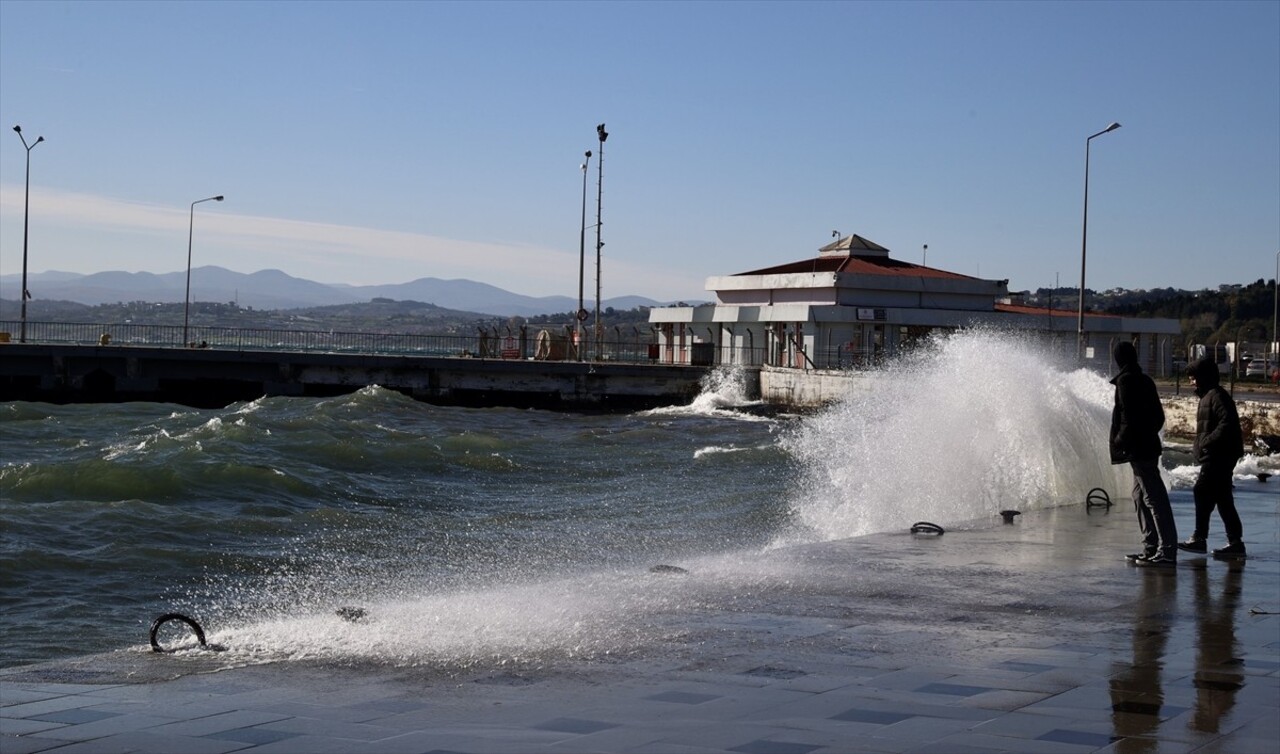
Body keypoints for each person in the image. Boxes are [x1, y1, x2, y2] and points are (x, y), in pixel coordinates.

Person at [1110, 341, 1178, 568]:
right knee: (1139, 496)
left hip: (1139, 450)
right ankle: (1150, 547)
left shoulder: (1126, 382)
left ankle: (1167, 551)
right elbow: (1158, 417)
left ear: (1118, 359)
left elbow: (1128, 418)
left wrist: (1121, 440)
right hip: (1147, 447)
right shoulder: (1145, 380)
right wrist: (1147, 434)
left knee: (1154, 499)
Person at [1177, 359, 1246, 558]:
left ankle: (1200, 539)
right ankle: (1234, 542)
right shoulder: (1209, 396)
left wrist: (1206, 442)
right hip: (1218, 454)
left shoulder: (1216, 396)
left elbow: (1228, 422)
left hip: (1219, 455)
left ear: (1204, 377)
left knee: (1201, 491)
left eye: (1193, 378)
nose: (1191, 382)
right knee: (1223, 499)